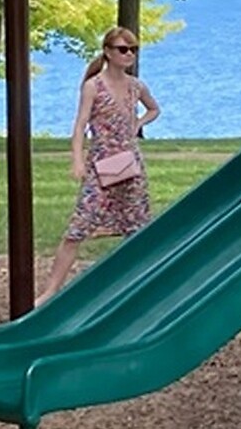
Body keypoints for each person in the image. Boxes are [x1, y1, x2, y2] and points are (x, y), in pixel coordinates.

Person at [43, 27, 162, 293]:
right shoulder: (93, 86)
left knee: (138, 226)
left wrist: (138, 123)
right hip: (101, 164)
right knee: (78, 227)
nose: (129, 54)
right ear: (108, 52)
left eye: (133, 50)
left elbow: (154, 108)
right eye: (123, 49)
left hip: (130, 163)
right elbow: (80, 126)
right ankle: (50, 291)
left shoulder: (136, 86)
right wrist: (77, 160)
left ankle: (139, 286)